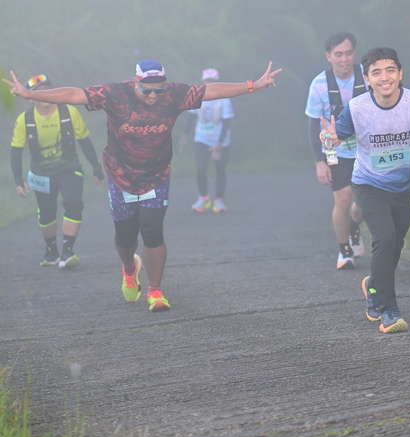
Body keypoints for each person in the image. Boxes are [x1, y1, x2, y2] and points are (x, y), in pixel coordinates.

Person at [4, 59, 281, 312]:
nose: (152, 96)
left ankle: (155, 291)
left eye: (158, 91)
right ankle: (129, 268)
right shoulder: (115, 93)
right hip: (121, 175)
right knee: (126, 237)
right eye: (146, 90)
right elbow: (75, 95)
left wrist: (252, 86)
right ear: (135, 82)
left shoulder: (174, 94)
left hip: (156, 175)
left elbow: (211, 91)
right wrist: (30, 94)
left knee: (152, 231)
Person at [321, 47, 410, 334]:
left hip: (404, 189)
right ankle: (390, 310)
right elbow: (335, 138)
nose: (384, 77)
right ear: (367, 79)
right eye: (376, 73)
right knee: (384, 239)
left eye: (390, 70)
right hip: (368, 184)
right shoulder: (357, 107)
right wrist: (330, 139)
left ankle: (374, 286)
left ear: (400, 74)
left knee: (394, 247)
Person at [9, 73, 105, 268]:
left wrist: (96, 168)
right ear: (30, 96)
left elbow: (84, 141)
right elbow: (16, 152)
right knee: (47, 212)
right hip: (41, 173)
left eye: (47, 89)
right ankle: (51, 251)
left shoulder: (69, 112)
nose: (44, 94)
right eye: (38, 91)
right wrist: (19, 181)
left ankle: (67, 251)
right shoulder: (24, 119)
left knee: (73, 203)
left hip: (69, 168)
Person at [305, 32, 366, 270]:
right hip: (333, 150)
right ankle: (344, 251)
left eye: (348, 53)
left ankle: (354, 228)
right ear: (328, 56)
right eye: (338, 54)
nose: (344, 59)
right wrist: (319, 162)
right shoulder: (319, 84)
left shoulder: (368, 76)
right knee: (342, 197)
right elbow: (313, 124)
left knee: (364, 201)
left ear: (355, 53)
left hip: (366, 148)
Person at [185, 68, 234, 213]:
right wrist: (184, 137)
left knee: (220, 169)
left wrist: (219, 143)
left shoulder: (224, 99)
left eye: (212, 81)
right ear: (203, 81)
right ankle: (203, 197)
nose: (209, 83)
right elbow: (190, 117)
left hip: (221, 141)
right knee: (201, 169)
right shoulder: (197, 96)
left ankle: (218, 200)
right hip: (202, 139)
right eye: (207, 81)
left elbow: (226, 122)